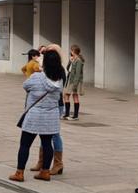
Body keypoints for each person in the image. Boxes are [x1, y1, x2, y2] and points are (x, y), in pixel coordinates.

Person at [10, 48, 65, 181]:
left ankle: (19, 172)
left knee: (25, 144)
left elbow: (26, 86)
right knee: (47, 144)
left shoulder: (37, 76)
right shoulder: (60, 80)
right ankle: (45, 171)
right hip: (51, 116)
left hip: (34, 115)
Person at [63, 46, 85, 119]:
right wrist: (70, 61)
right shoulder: (73, 59)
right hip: (70, 79)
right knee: (67, 95)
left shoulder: (79, 60)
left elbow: (78, 73)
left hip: (75, 81)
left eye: (71, 50)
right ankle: (67, 114)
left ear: (74, 51)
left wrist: (75, 84)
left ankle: (75, 115)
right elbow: (67, 68)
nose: (70, 52)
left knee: (73, 96)